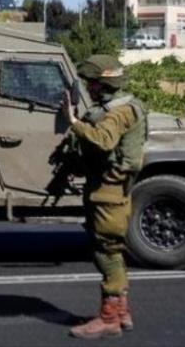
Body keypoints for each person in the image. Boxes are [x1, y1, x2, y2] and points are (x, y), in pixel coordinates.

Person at [61, 54, 148, 339]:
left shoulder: (120, 112)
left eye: (91, 83)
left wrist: (73, 121)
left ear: (103, 85)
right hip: (110, 190)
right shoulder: (124, 106)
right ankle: (121, 312)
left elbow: (104, 140)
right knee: (113, 251)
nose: (88, 88)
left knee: (106, 252)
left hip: (109, 193)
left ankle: (109, 318)